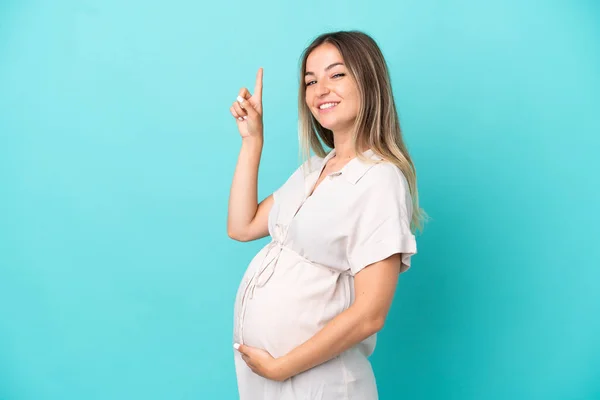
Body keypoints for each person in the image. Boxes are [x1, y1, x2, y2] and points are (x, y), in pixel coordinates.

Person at [227, 30, 427, 400]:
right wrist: (252, 140)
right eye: (310, 80)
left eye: (337, 75)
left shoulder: (379, 179)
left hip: (319, 385)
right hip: (269, 383)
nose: (321, 90)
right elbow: (242, 226)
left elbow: (370, 314)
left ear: (368, 81)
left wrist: (281, 367)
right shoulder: (313, 171)